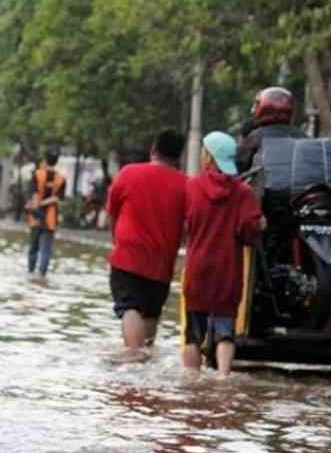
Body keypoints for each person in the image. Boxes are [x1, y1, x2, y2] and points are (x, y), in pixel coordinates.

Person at [181, 132, 264, 378]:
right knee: (225, 329)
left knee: (193, 334)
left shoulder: (192, 186)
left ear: (208, 156)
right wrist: (261, 225)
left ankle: (192, 380)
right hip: (228, 269)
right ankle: (223, 378)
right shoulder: (243, 192)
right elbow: (249, 229)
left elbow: (186, 223)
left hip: (198, 267)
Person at [106, 130, 187, 352]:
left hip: (128, 257)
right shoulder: (185, 184)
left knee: (129, 307)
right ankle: (146, 359)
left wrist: (115, 239)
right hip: (162, 262)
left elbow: (112, 212)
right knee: (151, 313)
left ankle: (133, 357)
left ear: (153, 149)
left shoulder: (128, 173)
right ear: (179, 157)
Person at [236, 86, 306, 174]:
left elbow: (237, 164)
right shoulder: (303, 136)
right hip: (301, 186)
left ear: (264, 108)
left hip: (264, 186)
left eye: (257, 104)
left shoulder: (256, 137)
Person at [26, 149, 66, 277]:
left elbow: (34, 194)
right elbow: (57, 198)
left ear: (45, 159)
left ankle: (30, 273)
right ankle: (42, 275)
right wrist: (44, 204)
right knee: (46, 250)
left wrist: (38, 204)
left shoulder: (37, 174)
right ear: (57, 162)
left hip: (35, 217)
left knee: (33, 248)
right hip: (51, 218)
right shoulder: (61, 179)